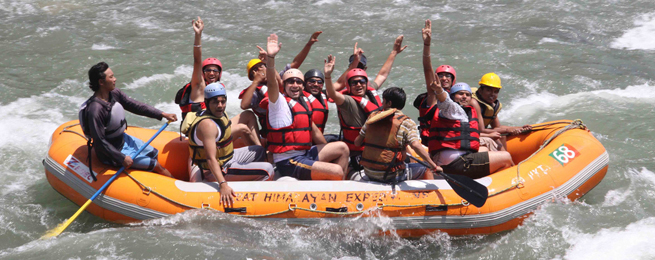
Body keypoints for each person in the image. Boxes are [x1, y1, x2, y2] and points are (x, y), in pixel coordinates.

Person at [421, 22, 513, 179]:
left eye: (467, 95)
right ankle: (508, 188)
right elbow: (430, 75)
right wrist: (427, 46)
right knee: (506, 157)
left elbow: (474, 134)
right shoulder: (449, 107)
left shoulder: (467, 111)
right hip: (455, 162)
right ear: (452, 96)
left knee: (489, 150)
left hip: (457, 157)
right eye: (460, 94)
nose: (464, 97)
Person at [261, 34, 349, 180]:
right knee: (336, 171)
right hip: (288, 162)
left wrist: (327, 76)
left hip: (305, 153)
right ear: (284, 85)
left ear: (303, 86)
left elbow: (314, 132)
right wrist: (270, 59)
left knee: (342, 148)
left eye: (298, 82)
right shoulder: (279, 103)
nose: (295, 85)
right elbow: (272, 83)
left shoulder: (303, 101)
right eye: (290, 82)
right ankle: (331, 195)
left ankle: (338, 189)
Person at [181, 82, 273, 207]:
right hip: (213, 171)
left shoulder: (219, 114)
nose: (220, 105)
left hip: (227, 159)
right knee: (268, 170)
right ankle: (253, 201)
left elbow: (224, 138)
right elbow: (210, 158)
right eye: (215, 102)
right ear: (207, 103)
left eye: (223, 101)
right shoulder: (207, 125)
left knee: (259, 150)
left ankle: (245, 175)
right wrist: (223, 184)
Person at [79, 62, 178, 178]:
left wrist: (162, 114)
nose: (115, 79)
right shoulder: (95, 110)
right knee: (156, 165)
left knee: (153, 154)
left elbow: (135, 105)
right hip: (110, 152)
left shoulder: (114, 94)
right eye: (111, 77)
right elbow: (100, 142)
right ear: (101, 82)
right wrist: (121, 158)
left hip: (123, 140)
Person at [325, 36, 407, 176]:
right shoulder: (347, 101)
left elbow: (382, 75)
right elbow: (332, 93)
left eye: (362, 82)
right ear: (348, 86)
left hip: (376, 147)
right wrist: (327, 76)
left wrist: (394, 52)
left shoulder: (369, 93)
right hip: (358, 151)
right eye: (354, 83)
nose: (358, 85)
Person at [174, 17, 260, 148]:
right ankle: (262, 156)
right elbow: (197, 60)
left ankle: (260, 147)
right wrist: (198, 35)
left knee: (248, 115)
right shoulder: (198, 87)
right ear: (203, 73)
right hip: (203, 133)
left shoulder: (217, 89)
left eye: (215, 70)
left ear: (220, 73)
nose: (212, 73)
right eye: (208, 70)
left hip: (217, 127)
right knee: (243, 128)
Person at [239, 32, 323, 145]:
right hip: (274, 130)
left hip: (293, 120)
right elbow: (244, 105)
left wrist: (308, 44)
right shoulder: (255, 91)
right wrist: (256, 81)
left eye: (261, 66)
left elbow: (295, 63)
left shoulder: (279, 76)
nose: (259, 70)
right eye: (255, 70)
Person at [354, 87, 440, 183]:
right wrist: (434, 166)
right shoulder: (407, 122)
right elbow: (415, 145)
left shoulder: (373, 117)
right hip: (391, 175)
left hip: (369, 171)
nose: (382, 104)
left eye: (383, 101)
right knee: (425, 167)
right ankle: (428, 195)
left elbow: (357, 142)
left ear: (389, 103)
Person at [470, 73, 532, 148]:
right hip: (470, 134)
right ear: (480, 90)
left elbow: (497, 127)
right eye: (488, 90)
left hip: (481, 133)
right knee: (499, 135)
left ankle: (505, 157)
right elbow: (481, 130)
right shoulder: (474, 103)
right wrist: (507, 130)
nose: (492, 94)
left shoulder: (492, 106)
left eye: (496, 91)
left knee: (501, 135)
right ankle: (505, 157)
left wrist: (520, 128)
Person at [303, 69, 339, 143]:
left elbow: (340, 83)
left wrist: (355, 62)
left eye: (319, 82)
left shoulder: (323, 95)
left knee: (342, 138)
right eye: (312, 81)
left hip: (318, 139)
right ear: (304, 83)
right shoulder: (300, 99)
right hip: (307, 143)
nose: (316, 84)